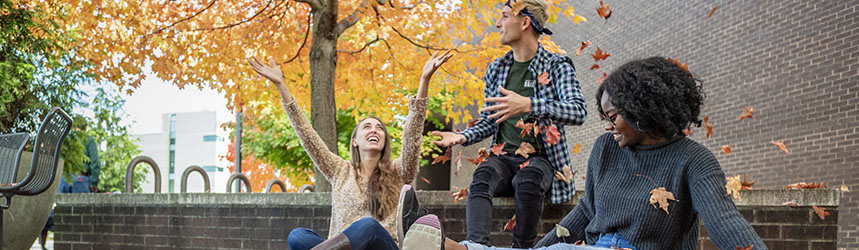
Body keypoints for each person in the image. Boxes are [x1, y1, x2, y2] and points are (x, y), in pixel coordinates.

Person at [402, 57, 769, 250]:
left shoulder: (693, 160)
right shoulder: (606, 149)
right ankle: (445, 247)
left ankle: (448, 249)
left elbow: (726, 223)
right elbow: (586, 212)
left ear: (646, 111)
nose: (608, 126)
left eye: (613, 117)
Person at [248, 51, 453, 250]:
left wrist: (424, 81)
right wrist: (281, 86)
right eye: (367, 127)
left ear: (384, 141)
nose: (374, 130)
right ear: (354, 141)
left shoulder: (399, 171)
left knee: (368, 226)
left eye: (379, 128)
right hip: (343, 247)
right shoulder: (339, 170)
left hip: (381, 246)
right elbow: (307, 136)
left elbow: (412, 137)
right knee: (298, 236)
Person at [430, 0, 586, 247]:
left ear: (525, 22)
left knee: (527, 180)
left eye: (504, 16)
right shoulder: (497, 69)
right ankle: (475, 246)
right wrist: (462, 137)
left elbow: (578, 111)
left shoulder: (557, 66)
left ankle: (521, 248)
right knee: (481, 176)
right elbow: (490, 121)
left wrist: (530, 105)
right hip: (503, 160)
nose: (497, 23)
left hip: (541, 160)